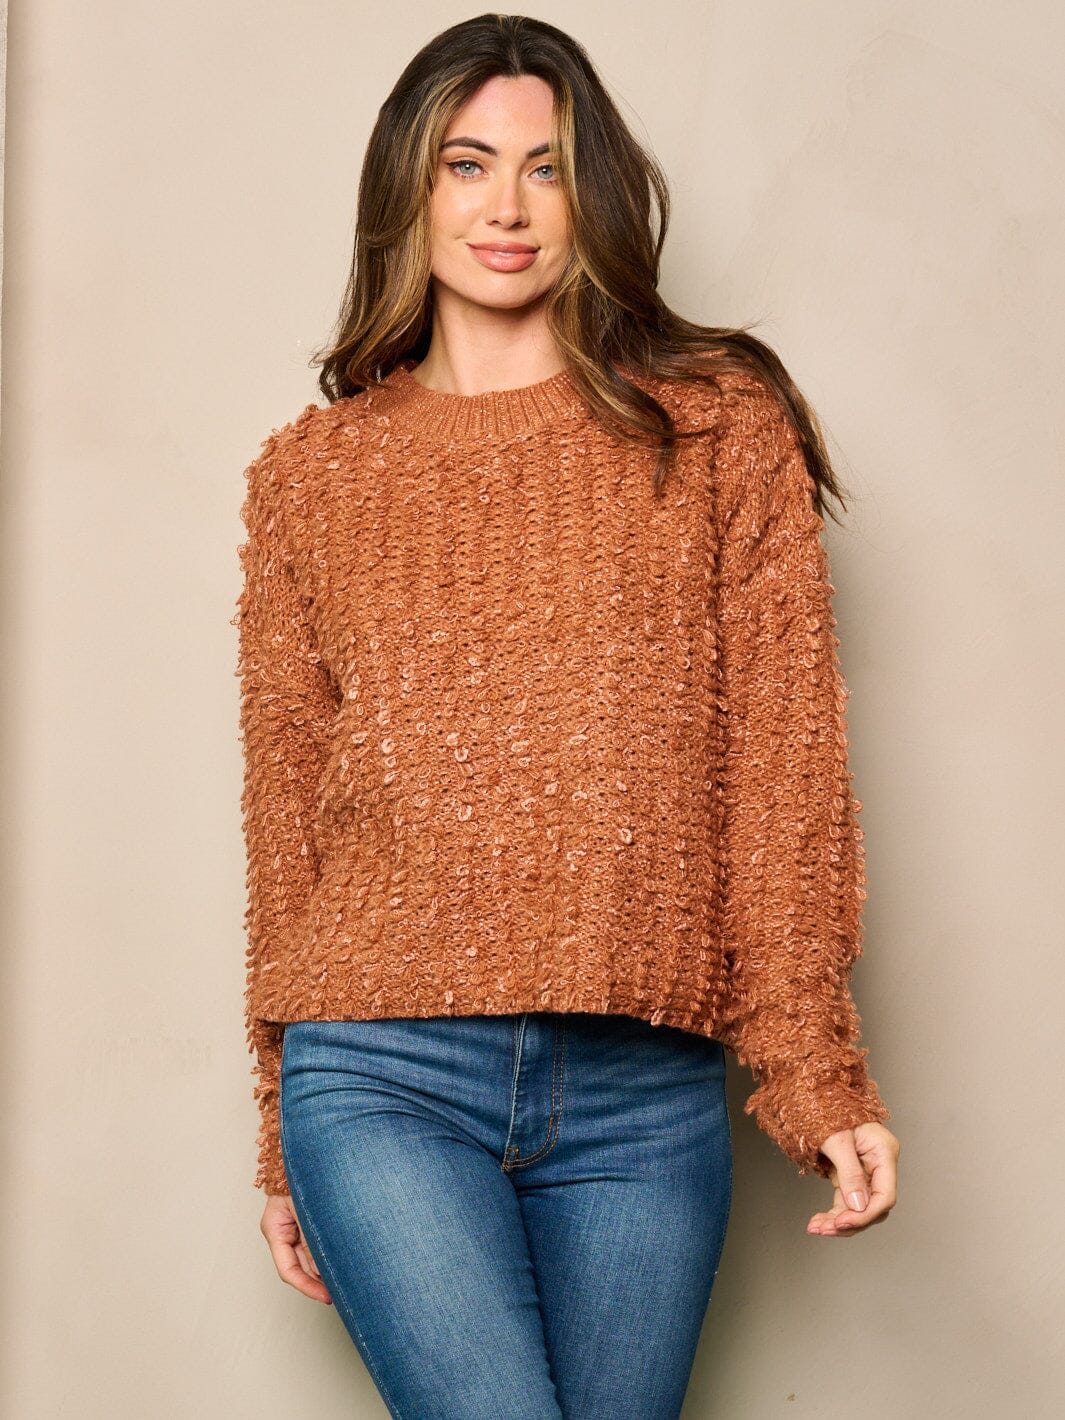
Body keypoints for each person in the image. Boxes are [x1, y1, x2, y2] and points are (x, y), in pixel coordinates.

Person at [233, 14, 900, 1419]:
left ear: (590, 194)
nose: (508, 207)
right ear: (409, 189)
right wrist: (280, 1128)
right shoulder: (313, 477)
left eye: (545, 167)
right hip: (380, 1070)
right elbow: (289, 814)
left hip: (642, 1090)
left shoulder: (715, 431)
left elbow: (780, 769)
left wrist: (813, 1067)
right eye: (468, 165)